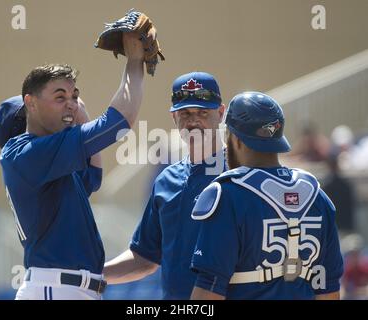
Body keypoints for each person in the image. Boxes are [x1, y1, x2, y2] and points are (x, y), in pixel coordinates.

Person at [0, 32, 146, 300]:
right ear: (30, 103)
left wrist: (76, 108)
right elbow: (118, 123)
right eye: (60, 97)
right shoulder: (26, 153)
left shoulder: (52, 165)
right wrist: (135, 60)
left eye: (74, 95)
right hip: (54, 289)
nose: (70, 104)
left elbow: (93, 177)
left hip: (68, 288)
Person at [190, 92, 344, 300]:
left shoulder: (228, 195)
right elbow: (329, 290)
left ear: (235, 139)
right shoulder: (318, 196)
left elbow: (208, 293)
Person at [103, 72, 227, 299]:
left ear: (220, 113)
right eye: (185, 113)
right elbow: (145, 258)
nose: (193, 120)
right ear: (174, 117)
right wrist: (93, 275)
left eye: (203, 112)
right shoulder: (166, 180)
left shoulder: (240, 175)